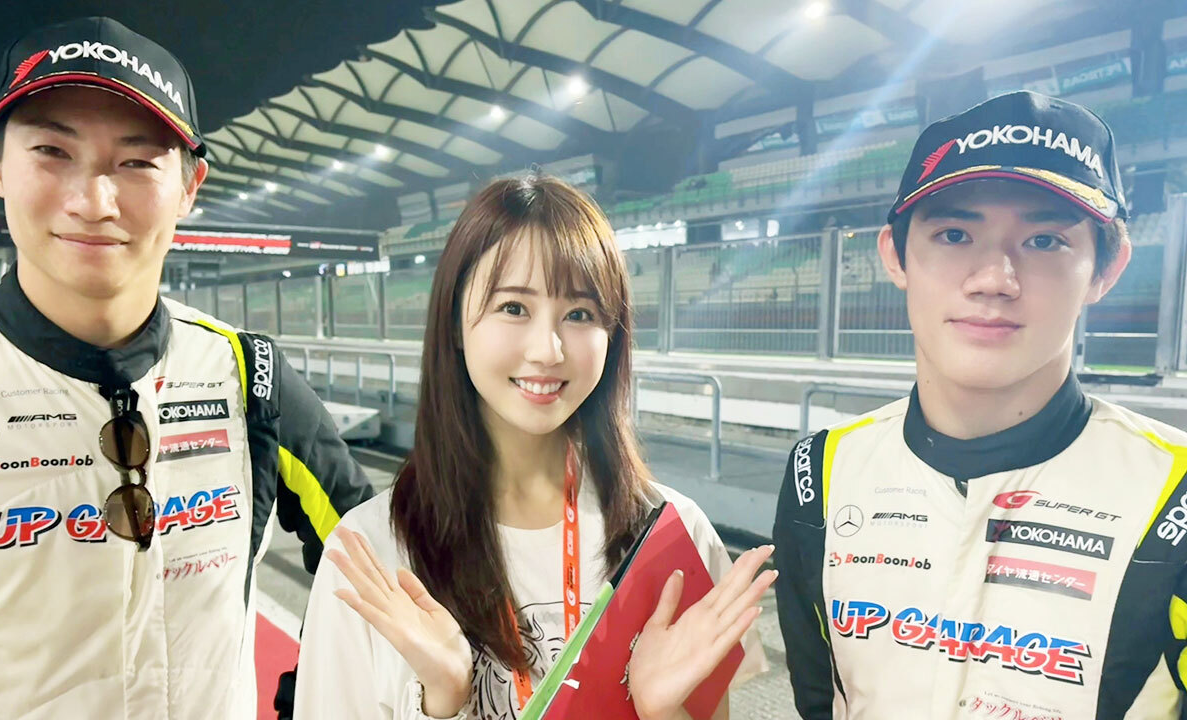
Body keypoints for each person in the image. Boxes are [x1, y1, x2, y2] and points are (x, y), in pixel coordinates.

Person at [0, 17, 373, 718]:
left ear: (190, 185)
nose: (94, 203)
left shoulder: (248, 373)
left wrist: (307, 700)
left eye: (137, 163)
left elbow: (381, 565)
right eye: (52, 151)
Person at [293, 175, 775, 720]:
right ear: (454, 322)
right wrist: (442, 701)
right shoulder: (371, 554)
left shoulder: (672, 538)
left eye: (580, 314)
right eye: (513, 308)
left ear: (613, 336)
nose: (548, 350)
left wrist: (661, 712)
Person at [773, 90, 1187, 718]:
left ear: (1106, 270)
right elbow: (817, 703)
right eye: (954, 234)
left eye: (1045, 240)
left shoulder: (1174, 493)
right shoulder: (821, 473)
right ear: (894, 255)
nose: (994, 278)